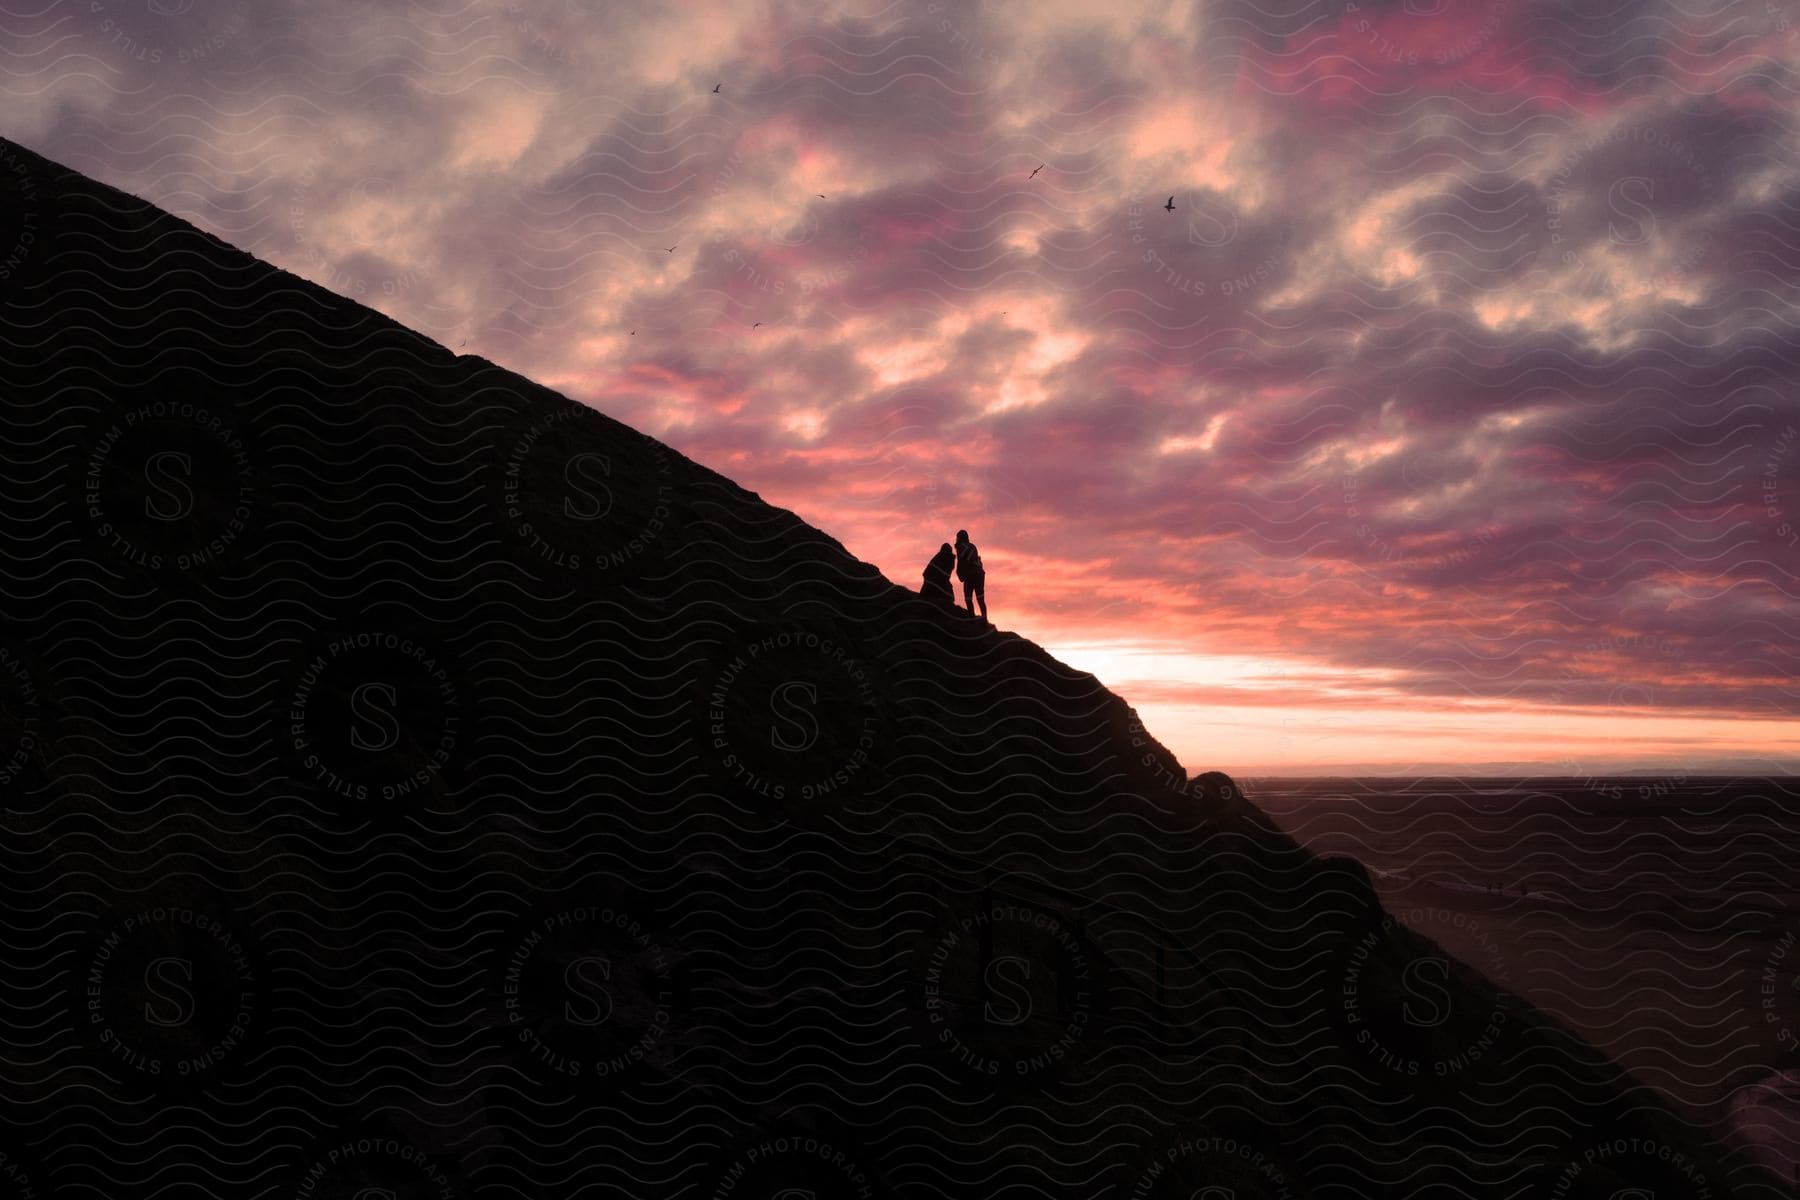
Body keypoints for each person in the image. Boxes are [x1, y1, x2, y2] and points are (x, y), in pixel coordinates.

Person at [954, 529, 986, 620]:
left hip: (971, 574)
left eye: (957, 538)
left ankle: (972, 618)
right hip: (979, 574)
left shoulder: (961, 547)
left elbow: (962, 562)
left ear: (960, 538)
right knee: (980, 599)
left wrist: (960, 575)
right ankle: (984, 620)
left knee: (968, 598)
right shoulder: (973, 546)